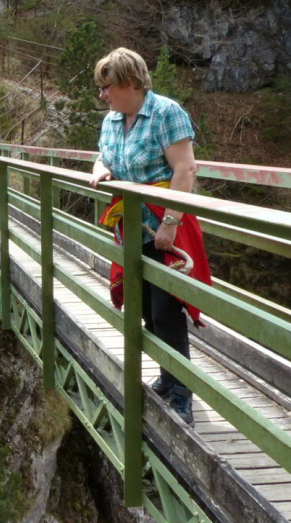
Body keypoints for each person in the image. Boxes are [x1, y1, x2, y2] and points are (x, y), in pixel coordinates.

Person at [88, 47, 210, 426]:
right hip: (131, 223)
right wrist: (99, 169)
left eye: (106, 87)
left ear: (129, 83)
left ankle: (181, 393)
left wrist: (170, 222)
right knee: (145, 310)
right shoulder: (112, 120)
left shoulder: (166, 112)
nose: (103, 95)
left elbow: (185, 169)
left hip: (163, 221)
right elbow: (104, 156)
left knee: (165, 308)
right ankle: (166, 375)